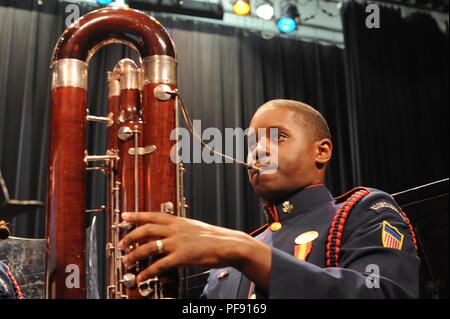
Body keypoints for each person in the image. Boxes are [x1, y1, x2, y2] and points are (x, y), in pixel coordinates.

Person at [118, 99, 420, 298]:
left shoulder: (364, 210)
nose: (258, 150)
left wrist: (242, 249)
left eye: (278, 137)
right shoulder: (231, 261)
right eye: (252, 142)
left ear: (322, 151)